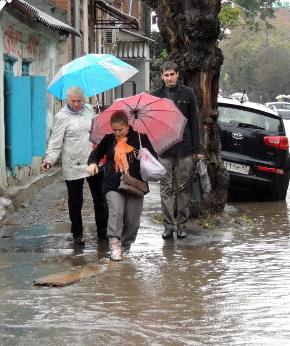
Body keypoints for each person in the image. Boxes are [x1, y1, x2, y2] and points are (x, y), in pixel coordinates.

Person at [87, 110, 157, 261]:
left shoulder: (140, 139)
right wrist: (93, 163)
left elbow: (154, 159)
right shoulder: (108, 140)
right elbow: (95, 154)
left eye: (120, 130)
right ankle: (114, 246)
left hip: (135, 185)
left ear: (127, 126)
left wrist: (144, 156)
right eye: (114, 130)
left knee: (132, 221)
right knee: (115, 212)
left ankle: (125, 246)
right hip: (113, 184)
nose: (117, 133)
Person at [41, 86, 108, 244]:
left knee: (100, 198)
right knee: (75, 201)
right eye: (73, 101)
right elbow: (55, 141)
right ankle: (78, 234)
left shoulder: (90, 110)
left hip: (93, 161)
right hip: (73, 163)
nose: (77, 104)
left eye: (79, 101)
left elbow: (98, 132)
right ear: (67, 100)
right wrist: (49, 160)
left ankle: (103, 232)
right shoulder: (61, 117)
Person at [151, 61, 203, 239]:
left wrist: (198, 148)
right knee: (165, 188)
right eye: (166, 75)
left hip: (185, 147)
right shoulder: (156, 96)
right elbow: (153, 124)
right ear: (162, 76)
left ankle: (181, 225)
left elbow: (194, 122)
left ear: (177, 75)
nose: (169, 78)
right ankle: (168, 226)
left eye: (172, 74)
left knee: (182, 188)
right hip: (164, 148)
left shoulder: (187, 94)